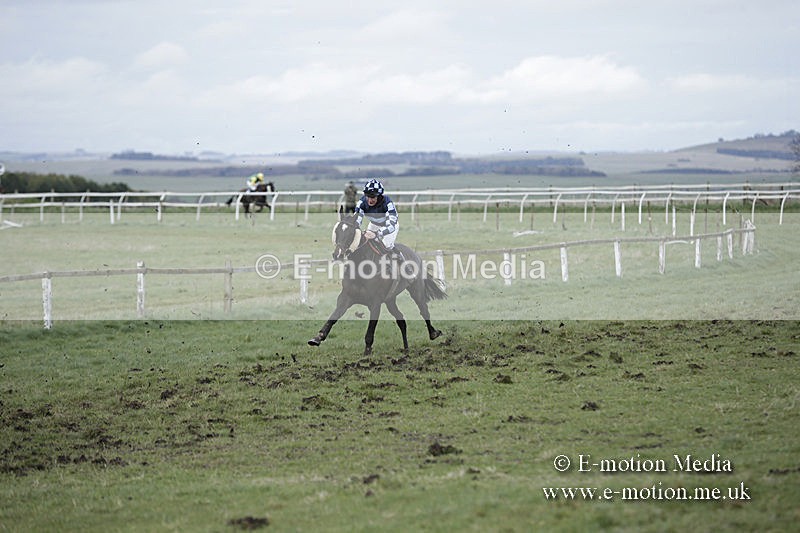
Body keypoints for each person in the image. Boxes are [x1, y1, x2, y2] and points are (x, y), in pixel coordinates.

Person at [354, 178, 403, 261]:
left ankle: (403, 263)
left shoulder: (387, 203)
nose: (370, 200)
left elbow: (391, 225)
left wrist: (377, 234)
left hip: (390, 226)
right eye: (368, 196)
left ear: (379, 196)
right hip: (374, 224)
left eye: (373, 197)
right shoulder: (361, 203)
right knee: (365, 242)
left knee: (386, 245)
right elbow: (357, 220)